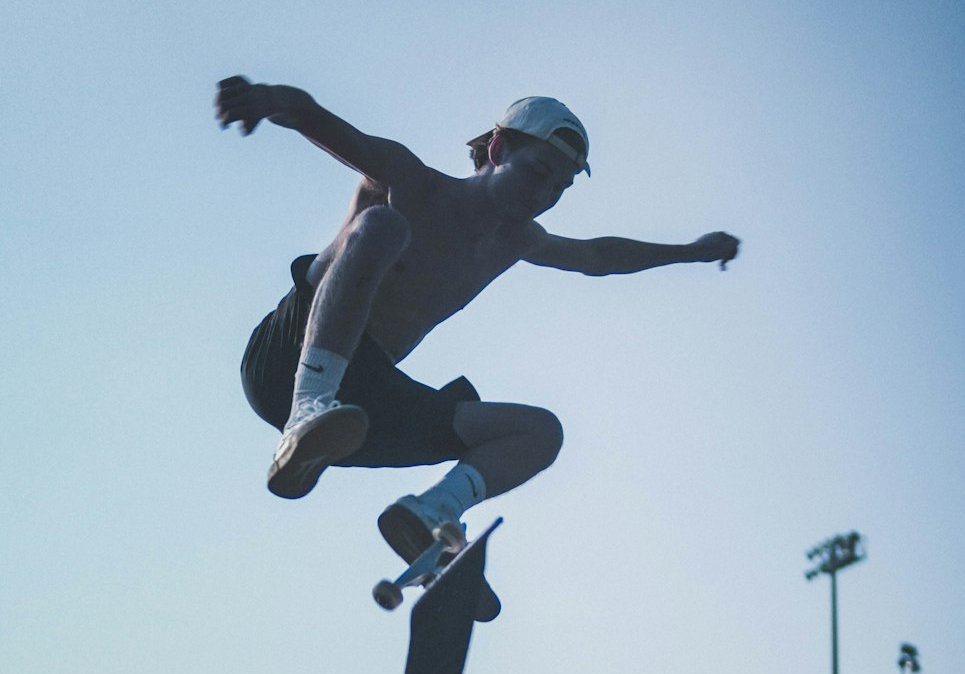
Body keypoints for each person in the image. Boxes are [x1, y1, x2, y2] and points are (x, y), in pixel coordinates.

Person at [215, 77, 740, 619]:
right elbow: (319, 120)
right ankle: (309, 406)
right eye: (536, 173)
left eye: (557, 189)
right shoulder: (409, 180)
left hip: (363, 407)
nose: (542, 197)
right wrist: (267, 98)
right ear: (497, 149)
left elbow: (598, 255)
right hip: (287, 355)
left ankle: (432, 516)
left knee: (539, 431)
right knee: (382, 226)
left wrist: (690, 252)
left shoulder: (519, 240)